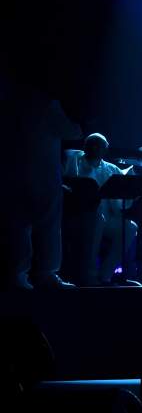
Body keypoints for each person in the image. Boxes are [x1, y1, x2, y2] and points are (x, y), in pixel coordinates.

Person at [3, 84, 81, 289]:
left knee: (19, 226)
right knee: (48, 225)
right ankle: (46, 273)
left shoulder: (11, 102)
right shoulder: (47, 105)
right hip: (44, 175)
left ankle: (17, 275)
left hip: (15, 174)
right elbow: (72, 131)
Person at [63, 133, 138, 285]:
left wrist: (132, 187)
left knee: (130, 227)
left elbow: (124, 199)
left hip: (106, 219)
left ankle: (105, 275)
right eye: (93, 143)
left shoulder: (112, 169)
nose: (96, 147)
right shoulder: (74, 161)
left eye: (100, 144)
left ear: (106, 149)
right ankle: (89, 274)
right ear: (85, 146)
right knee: (97, 218)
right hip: (79, 217)